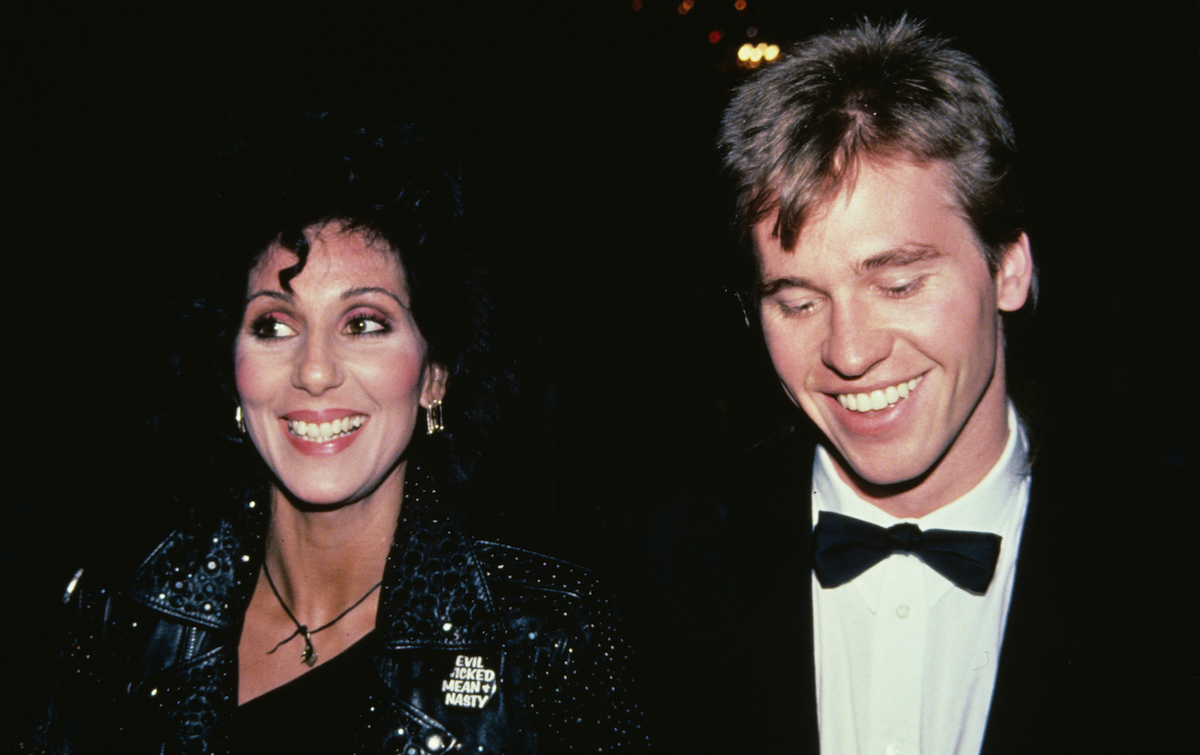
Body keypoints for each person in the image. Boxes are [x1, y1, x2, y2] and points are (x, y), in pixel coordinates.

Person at [608, 16, 1187, 754]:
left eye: (899, 283)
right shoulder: (650, 563)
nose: (849, 353)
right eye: (798, 300)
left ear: (1009, 266)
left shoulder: (1167, 567)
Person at [29, 113, 649, 754]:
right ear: (230, 370)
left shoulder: (544, 637)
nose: (315, 371)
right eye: (273, 326)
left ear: (435, 375)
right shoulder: (122, 616)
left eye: (364, 323)